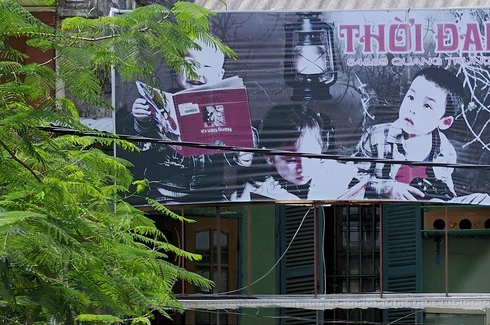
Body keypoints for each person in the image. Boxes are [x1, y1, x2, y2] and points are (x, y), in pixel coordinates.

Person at [122, 36, 253, 204]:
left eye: (207, 66)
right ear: (175, 70)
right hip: (166, 191)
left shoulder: (224, 106)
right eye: (190, 64)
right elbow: (138, 147)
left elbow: (240, 142)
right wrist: (140, 121)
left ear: (220, 75)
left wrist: (244, 153)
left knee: (225, 209)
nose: (197, 72)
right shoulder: (162, 101)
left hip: (211, 193)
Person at [351, 66, 465, 201]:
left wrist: (441, 201)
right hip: (387, 213)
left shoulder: (446, 151)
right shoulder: (376, 136)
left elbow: (447, 190)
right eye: (411, 97)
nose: (412, 108)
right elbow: (354, 179)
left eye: (427, 106)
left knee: (482, 200)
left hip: (425, 214)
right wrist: (387, 188)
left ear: (445, 122)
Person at [231, 104, 364, 203]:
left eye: (311, 156)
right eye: (291, 160)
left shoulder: (340, 176)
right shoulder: (254, 192)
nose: (303, 168)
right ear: (269, 158)